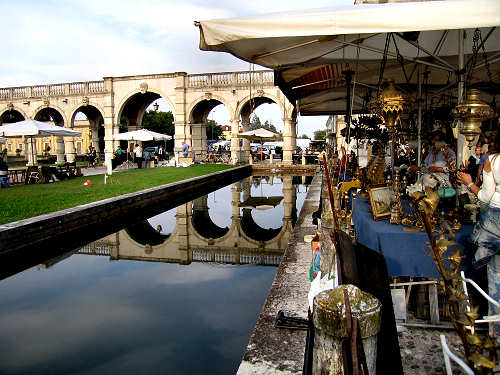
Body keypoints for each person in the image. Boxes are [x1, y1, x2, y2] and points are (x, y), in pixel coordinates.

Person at [457, 130, 500, 338]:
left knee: (496, 284)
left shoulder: (493, 160)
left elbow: (485, 196)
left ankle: (496, 338)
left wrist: (469, 183)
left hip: (495, 224)